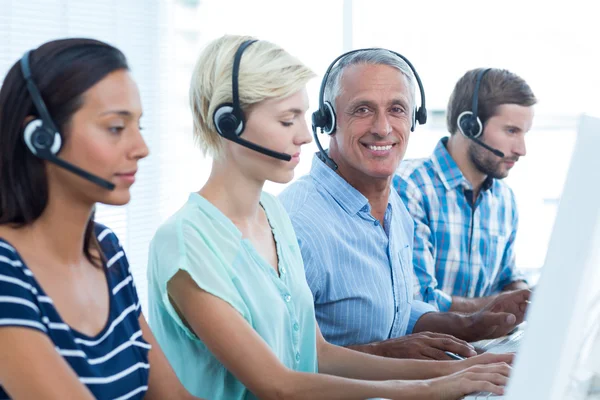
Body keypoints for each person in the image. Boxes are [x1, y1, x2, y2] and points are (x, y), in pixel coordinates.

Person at [147, 35, 514, 400]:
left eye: (303, 117)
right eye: (287, 120)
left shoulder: (270, 216)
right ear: (229, 124)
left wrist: (461, 369)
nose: (306, 136)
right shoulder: (186, 243)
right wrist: (431, 388)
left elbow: (317, 354)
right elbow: (279, 385)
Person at [279, 49, 531, 361]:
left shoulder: (394, 207)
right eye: (362, 110)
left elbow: (393, 305)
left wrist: (470, 325)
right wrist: (385, 354)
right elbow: (276, 363)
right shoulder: (298, 222)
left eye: (397, 109)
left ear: (414, 118)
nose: (383, 128)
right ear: (327, 120)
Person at [0, 38, 201, 399]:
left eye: (138, 126)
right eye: (115, 128)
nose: (141, 148)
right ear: (41, 137)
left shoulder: (106, 250)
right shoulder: (5, 271)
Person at [394, 68, 536, 313]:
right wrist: (498, 306)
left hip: (485, 345)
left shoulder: (504, 199)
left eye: (524, 134)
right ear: (469, 125)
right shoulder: (410, 186)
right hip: (427, 348)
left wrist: (527, 295)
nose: (521, 149)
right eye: (511, 131)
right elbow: (419, 301)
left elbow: (507, 278)